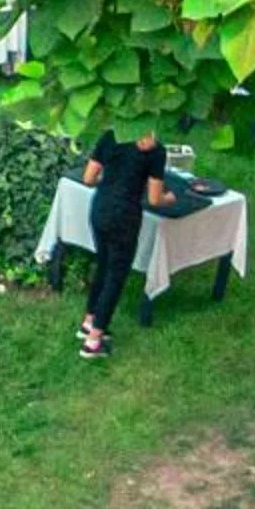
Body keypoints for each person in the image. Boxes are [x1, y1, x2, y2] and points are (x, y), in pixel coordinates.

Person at [76, 128, 176, 361]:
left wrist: (111, 182)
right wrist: (169, 199)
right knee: (116, 275)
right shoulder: (156, 152)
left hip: (100, 208)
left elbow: (88, 178)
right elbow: (153, 198)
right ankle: (93, 341)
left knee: (103, 264)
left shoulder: (112, 135)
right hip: (125, 217)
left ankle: (89, 321)